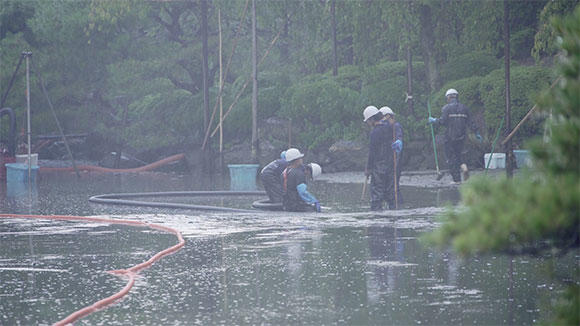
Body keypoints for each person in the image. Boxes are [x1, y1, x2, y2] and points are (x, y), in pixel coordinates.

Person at [428, 89, 482, 184]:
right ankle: (464, 167)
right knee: (458, 156)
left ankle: (456, 180)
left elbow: (443, 121)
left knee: (450, 158)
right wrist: (476, 133)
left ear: (448, 97)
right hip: (461, 137)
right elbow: (471, 123)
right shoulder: (465, 108)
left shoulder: (446, 108)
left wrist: (434, 120)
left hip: (449, 138)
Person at [363, 106, 395, 210]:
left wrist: (368, 168)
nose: (368, 124)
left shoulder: (374, 133)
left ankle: (376, 219)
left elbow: (372, 153)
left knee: (377, 196)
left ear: (372, 119)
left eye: (368, 121)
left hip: (379, 167)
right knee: (390, 194)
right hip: (391, 165)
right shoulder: (389, 128)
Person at [282, 148, 322, 212]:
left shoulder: (287, 170)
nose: (301, 160)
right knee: (314, 211)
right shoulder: (299, 174)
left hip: (287, 202)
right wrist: (314, 201)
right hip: (294, 205)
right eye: (300, 158)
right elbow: (302, 192)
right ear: (296, 160)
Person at [380, 106, 403, 206]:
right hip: (388, 159)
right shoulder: (386, 127)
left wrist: (399, 142)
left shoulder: (396, 126)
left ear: (388, 116)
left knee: (394, 184)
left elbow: (399, 137)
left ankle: (398, 204)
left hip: (396, 157)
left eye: (382, 117)